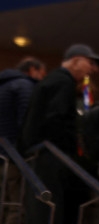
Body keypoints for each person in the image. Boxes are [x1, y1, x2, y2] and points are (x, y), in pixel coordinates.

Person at [18, 44, 99, 224]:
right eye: (89, 63)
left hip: (40, 151)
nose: (92, 69)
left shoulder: (51, 80)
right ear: (76, 61)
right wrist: (69, 149)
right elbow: (57, 119)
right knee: (51, 205)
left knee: (41, 205)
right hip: (52, 154)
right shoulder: (63, 82)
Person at [0, 57, 46, 224]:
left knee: (4, 202)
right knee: (17, 204)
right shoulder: (25, 86)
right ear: (33, 69)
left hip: (2, 153)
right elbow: (26, 122)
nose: (42, 78)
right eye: (42, 73)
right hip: (14, 154)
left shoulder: (4, 85)